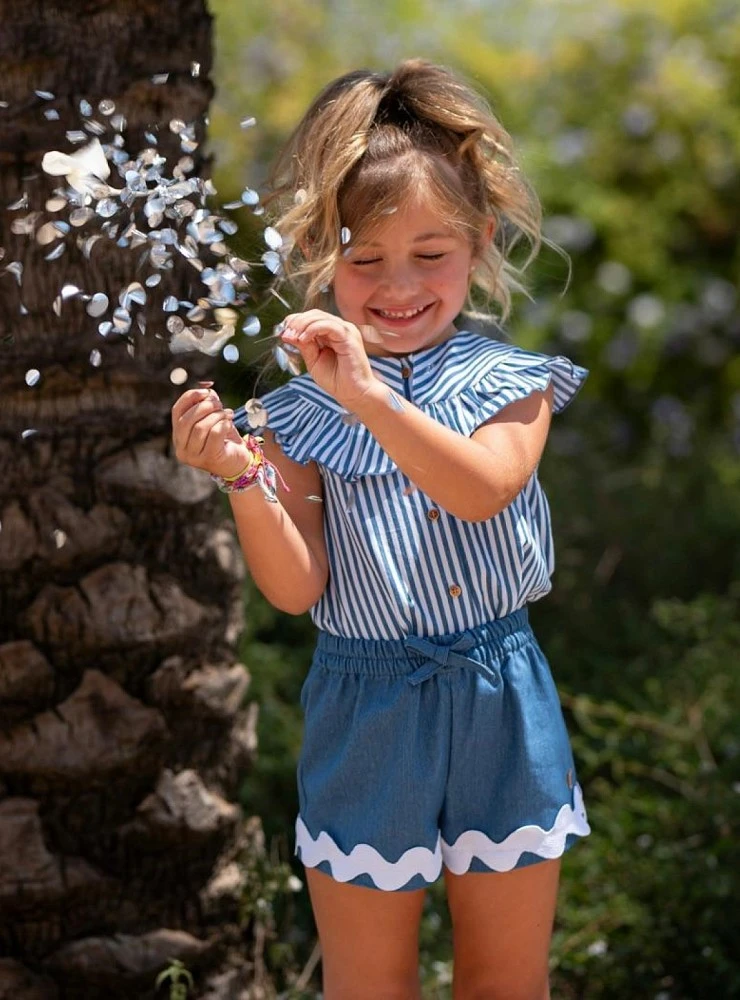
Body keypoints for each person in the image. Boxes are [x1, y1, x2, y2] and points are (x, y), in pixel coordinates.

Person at [172, 58, 590, 1000]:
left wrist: (363, 394)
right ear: (324, 258)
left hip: (500, 696)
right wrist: (241, 474)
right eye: (365, 261)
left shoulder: (510, 382)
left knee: (505, 983)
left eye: (431, 254)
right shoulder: (295, 414)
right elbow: (296, 587)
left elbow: (481, 489)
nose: (397, 286)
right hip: (364, 711)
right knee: (369, 988)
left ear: (480, 242)